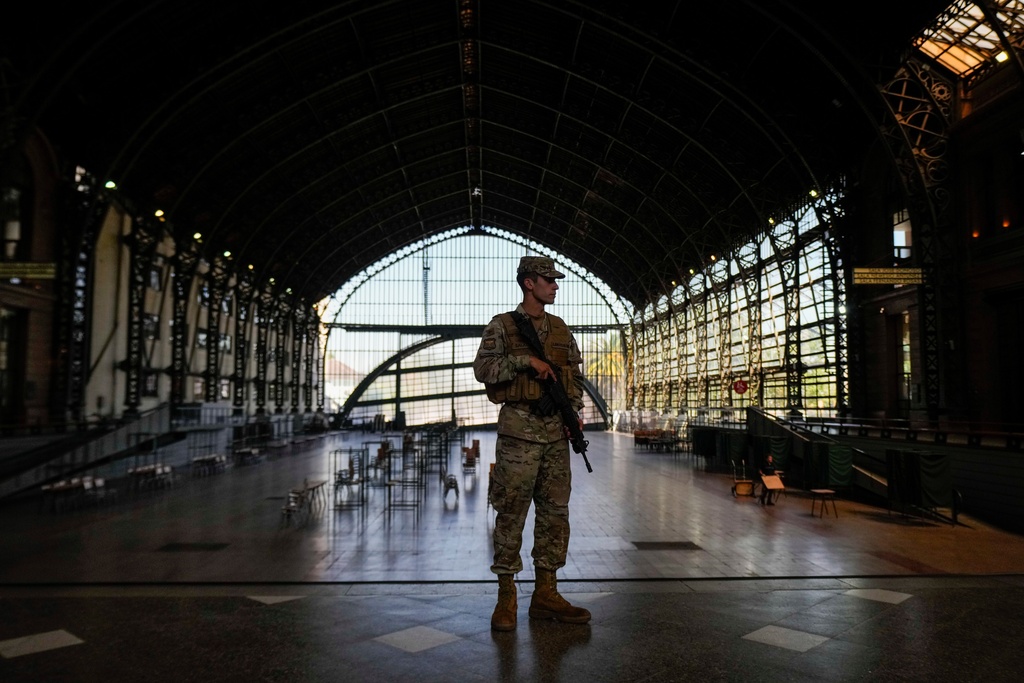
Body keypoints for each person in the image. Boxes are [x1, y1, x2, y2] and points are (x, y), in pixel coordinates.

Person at [473, 255, 591, 631]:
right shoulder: (503, 325)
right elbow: (483, 369)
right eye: (549, 280)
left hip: (556, 435)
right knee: (511, 513)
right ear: (529, 283)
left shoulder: (560, 329)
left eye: (555, 281)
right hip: (518, 435)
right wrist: (524, 362)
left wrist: (574, 415)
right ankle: (506, 596)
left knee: (555, 515)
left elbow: (574, 377)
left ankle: (546, 593)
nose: (555, 286)